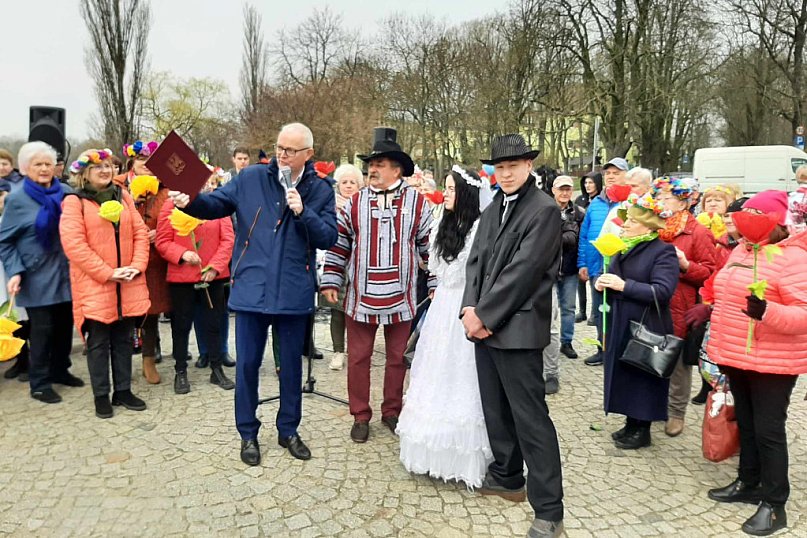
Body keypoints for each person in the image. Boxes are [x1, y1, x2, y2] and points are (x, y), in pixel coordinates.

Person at [168, 122, 337, 464]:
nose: (283, 155)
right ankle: (247, 434)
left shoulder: (320, 190)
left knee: (289, 367)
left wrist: (302, 211)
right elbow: (214, 205)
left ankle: (288, 429)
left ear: (309, 154)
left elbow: (328, 237)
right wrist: (190, 202)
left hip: (292, 290)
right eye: (279, 147)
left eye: (291, 150)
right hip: (251, 289)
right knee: (246, 365)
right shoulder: (250, 178)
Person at [461, 134, 563, 538]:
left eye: (512, 166)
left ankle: (550, 509)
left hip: (518, 329)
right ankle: (507, 477)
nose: (504, 174)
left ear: (528, 167)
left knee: (531, 420)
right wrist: (469, 309)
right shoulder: (493, 209)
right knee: (496, 411)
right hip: (483, 327)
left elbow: (523, 272)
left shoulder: (544, 211)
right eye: (499, 167)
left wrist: (485, 315)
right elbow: (476, 262)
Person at [322, 127, 435, 444]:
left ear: (397, 169)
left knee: (398, 358)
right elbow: (339, 244)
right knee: (358, 359)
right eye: (371, 163)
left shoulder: (418, 203)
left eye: (380, 163)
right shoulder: (354, 203)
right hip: (360, 296)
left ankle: (392, 411)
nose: (372, 168)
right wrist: (331, 278)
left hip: (401, 296)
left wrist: (436, 282)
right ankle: (360, 415)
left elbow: (429, 247)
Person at [706, 190, 807, 536]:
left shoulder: (794, 259)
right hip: (738, 355)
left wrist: (768, 311)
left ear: (775, 222)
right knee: (746, 424)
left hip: (773, 362)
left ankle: (775, 504)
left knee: (768, 431)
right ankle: (749, 482)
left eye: (754, 216)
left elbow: (804, 314)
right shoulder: (742, 248)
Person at [397, 165, 493, 488]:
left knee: (462, 375)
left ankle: (464, 454)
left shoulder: (480, 227)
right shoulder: (442, 221)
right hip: (440, 310)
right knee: (434, 371)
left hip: (465, 306)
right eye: (446, 188)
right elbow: (433, 266)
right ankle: (427, 448)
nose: (447, 194)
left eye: (452, 189)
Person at [60, 149, 150, 418]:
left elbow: (140, 234)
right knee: (98, 342)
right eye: (98, 167)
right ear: (84, 173)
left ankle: (122, 390)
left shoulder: (123, 197)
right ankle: (101, 394)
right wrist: (107, 272)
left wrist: (136, 266)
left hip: (127, 282)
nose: (105, 171)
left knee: (124, 339)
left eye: (109, 166)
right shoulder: (75, 202)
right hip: (97, 284)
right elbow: (75, 246)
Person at [595, 193, 679, 449]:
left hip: (648, 323)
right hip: (622, 319)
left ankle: (642, 428)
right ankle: (630, 423)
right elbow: (611, 275)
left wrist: (624, 285)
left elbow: (663, 291)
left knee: (642, 375)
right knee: (625, 372)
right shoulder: (624, 246)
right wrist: (602, 281)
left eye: (631, 220)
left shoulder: (663, 251)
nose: (625, 225)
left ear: (648, 225)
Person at [0, 141, 81, 404]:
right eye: (38, 164)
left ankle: (60, 369)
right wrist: (15, 271)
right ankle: (39, 381)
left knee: (63, 326)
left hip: (66, 271)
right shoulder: (17, 198)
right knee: (42, 329)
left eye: (48, 163)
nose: (45, 169)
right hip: (36, 275)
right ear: (25, 168)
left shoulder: (66, 193)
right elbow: (5, 240)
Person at [156, 172, 236, 394]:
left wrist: (215, 266)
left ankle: (216, 368)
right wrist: (182, 254)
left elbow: (228, 239)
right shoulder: (170, 206)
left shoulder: (216, 206)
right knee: (181, 326)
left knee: (213, 323)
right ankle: (180, 371)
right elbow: (162, 241)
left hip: (212, 277)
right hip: (182, 277)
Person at [652, 176, 716, 437]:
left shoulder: (697, 231)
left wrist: (686, 265)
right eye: (659, 197)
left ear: (683, 202)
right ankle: (655, 405)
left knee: (678, 364)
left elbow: (709, 272)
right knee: (654, 354)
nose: (661, 202)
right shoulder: (653, 227)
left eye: (667, 198)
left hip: (681, 304)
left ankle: (676, 412)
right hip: (654, 301)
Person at [115, 141, 170, 385]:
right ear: (131, 162)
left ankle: (149, 358)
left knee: (151, 309)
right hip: (125, 256)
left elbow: (175, 217)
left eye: (153, 161)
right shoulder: (117, 186)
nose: (147, 166)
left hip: (155, 257)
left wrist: (160, 232)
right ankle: (122, 360)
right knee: (124, 310)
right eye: (142, 160)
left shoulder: (165, 189)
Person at [578, 157, 629, 366]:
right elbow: (584, 234)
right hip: (596, 265)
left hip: (620, 267)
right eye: (608, 173)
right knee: (600, 310)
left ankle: (620, 350)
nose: (610, 176)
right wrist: (583, 263)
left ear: (626, 175)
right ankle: (602, 348)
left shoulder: (630, 202)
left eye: (616, 173)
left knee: (618, 310)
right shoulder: (595, 203)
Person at [322, 164, 364, 371]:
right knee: (337, 311)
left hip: (360, 265)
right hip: (337, 263)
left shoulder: (365, 205)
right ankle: (338, 351)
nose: (348, 186)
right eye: (344, 182)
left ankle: (357, 351)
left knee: (357, 311)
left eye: (352, 182)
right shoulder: (329, 206)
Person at [552, 176, 584, 362]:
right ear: (553, 190)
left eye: (568, 189)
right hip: (550, 267)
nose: (564, 193)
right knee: (549, 308)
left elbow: (581, 241)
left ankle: (567, 341)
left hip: (570, 267)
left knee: (569, 307)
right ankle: (547, 340)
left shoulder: (579, 212)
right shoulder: (546, 210)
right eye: (561, 189)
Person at [0, 182, 30, 382]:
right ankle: (20, 359)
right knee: (9, 318)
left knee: (23, 318)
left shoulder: (15, 218)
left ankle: (29, 360)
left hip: (16, 273)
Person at [574, 171, 602, 323]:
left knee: (594, 279)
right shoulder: (580, 200)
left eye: (591, 182)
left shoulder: (601, 201)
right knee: (581, 278)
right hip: (579, 241)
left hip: (595, 246)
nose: (588, 185)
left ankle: (594, 312)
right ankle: (582, 311)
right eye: (586, 183)